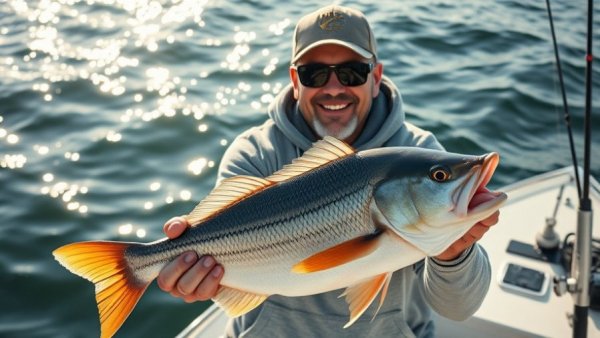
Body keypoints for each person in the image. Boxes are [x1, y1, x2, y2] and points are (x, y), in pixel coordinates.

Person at [157, 5, 500, 337]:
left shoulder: (422, 153)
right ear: (295, 80)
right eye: (315, 74)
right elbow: (228, 282)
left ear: (376, 77)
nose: (334, 88)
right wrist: (196, 275)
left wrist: (454, 253)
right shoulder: (254, 154)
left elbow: (459, 310)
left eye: (352, 72)